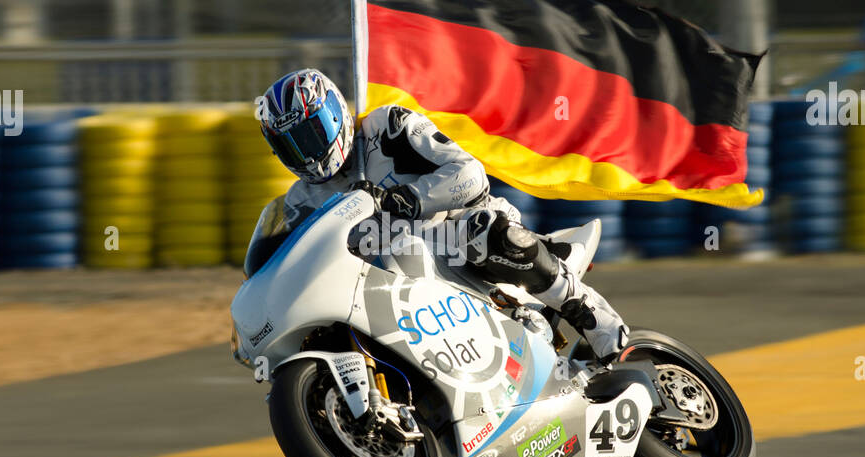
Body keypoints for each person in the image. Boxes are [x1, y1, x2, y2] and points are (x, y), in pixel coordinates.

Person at [255, 67, 631, 363]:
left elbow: (470, 173)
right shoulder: (300, 201)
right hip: (388, 277)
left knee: (485, 232)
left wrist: (409, 198)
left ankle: (588, 310)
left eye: (309, 135)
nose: (306, 154)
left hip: (454, 232)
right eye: (290, 145)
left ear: (333, 114)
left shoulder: (388, 127)